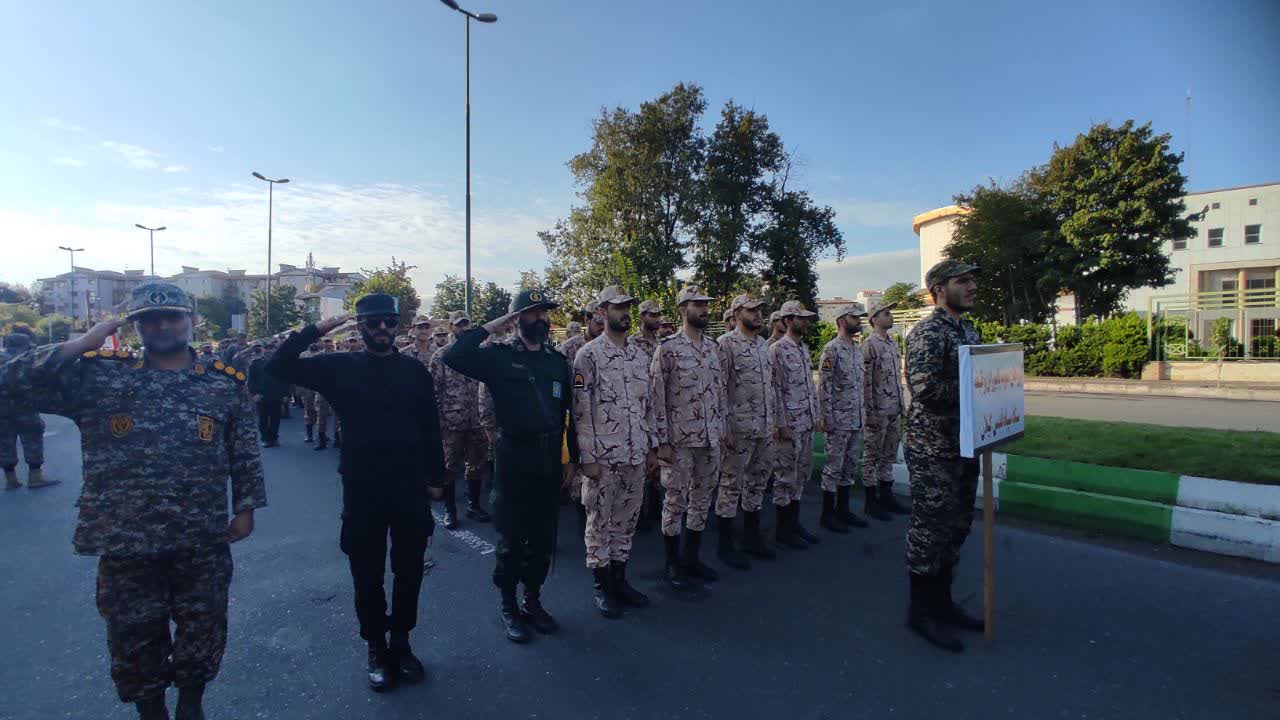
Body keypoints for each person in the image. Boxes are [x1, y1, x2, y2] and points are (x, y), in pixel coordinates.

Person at [0, 282, 266, 720]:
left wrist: (247, 506)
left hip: (201, 535)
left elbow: (243, 449)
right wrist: (78, 344)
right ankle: (151, 712)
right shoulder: (99, 375)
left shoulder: (221, 383)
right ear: (135, 326)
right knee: (133, 636)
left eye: (174, 316)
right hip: (126, 539)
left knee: (204, 626)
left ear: (192, 321)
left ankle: (191, 706)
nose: (163, 325)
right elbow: (10, 383)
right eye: (149, 319)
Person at [266, 294, 446, 691]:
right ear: (360, 327)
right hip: (363, 489)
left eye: (389, 321)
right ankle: (376, 647)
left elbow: (430, 426)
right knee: (366, 572)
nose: (383, 329)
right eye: (374, 322)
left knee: (409, 569)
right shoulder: (338, 367)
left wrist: (437, 478)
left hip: (408, 486)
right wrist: (318, 328)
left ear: (397, 325)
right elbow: (276, 366)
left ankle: (401, 642)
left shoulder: (415, 372)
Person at [443, 289, 578, 644]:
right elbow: (454, 355)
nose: (543, 320)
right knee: (512, 538)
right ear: (517, 319)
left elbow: (568, 413)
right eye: (534, 313)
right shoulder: (499, 357)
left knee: (544, 535)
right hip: (514, 457)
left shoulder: (555, 360)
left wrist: (570, 459)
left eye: (546, 313)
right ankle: (508, 605)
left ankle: (533, 600)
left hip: (549, 458)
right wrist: (494, 325)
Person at [903, 260, 986, 653]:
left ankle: (943, 602)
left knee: (958, 526)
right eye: (962, 281)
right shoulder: (926, 333)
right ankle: (920, 612)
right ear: (938, 288)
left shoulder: (969, 329)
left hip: (965, 444)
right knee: (930, 528)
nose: (971, 287)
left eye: (972, 280)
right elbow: (925, 390)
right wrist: (976, 386)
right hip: (932, 447)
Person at [573, 286, 658, 618]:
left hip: (635, 454)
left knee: (627, 520)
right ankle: (601, 586)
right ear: (602, 312)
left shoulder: (639, 356)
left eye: (628, 307)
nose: (625, 312)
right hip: (603, 458)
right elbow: (580, 409)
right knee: (598, 522)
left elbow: (647, 406)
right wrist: (587, 458)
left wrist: (651, 447)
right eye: (617, 307)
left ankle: (620, 580)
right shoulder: (588, 356)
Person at [651, 285, 728, 590]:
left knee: (700, 501)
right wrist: (662, 442)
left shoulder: (713, 348)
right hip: (679, 442)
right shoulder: (667, 348)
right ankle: (672, 563)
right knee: (675, 502)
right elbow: (656, 398)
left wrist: (720, 431)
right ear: (683, 309)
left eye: (706, 305)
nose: (704, 310)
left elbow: (719, 393)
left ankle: (692, 558)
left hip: (709, 439)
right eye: (698, 305)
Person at [714, 294, 777, 567]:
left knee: (757, 484)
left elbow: (769, 388)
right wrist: (724, 427)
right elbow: (717, 389)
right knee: (730, 486)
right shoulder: (725, 344)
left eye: (760, 310)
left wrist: (772, 422)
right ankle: (725, 546)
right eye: (752, 311)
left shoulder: (764, 345)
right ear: (737, 313)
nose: (758, 314)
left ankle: (751, 537)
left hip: (763, 427)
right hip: (737, 429)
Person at [429, 311, 492, 529]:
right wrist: (437, 423)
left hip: (476, 420)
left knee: (476, 465)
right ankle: (450, 510)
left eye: (466, 324)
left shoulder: (480, 353)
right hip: (450, 422)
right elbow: (434, 392)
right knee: (449, 468)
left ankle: (474, 505)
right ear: (451, 327)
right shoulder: (441, 356)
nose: (463, 328)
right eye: (459, 325)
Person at [817, 303, 873, 533]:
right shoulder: (832, 350)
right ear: (841, 321)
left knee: (850, 466)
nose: (859, 321)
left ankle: (843, 510)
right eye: (854, 318)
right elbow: (825, 387)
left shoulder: (857, 349)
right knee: (833, 467)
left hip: (855, 418)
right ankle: (827, 515)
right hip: (838, 421)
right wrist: (827, 418)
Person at [770, 300, 820, 550]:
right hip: (789, 425)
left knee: (801, 475)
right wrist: (780, 424)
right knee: (784, 478)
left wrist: (816, 415)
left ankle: (794, 523)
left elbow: (810, 387)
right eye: (801, 318)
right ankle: (782, 529)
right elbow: (775, 390)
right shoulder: (777, 350)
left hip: (806, 423)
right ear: (788, 320)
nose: (806, 321)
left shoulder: (803, 348)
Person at [863, 299, 909, 517]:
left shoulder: (892, 343)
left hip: (893, 410)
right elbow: (866, 381)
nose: (890, 316)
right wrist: (869, 412)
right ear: (874, 319)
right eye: (886, 313)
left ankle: (886, 496)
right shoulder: (869, 345)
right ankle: (871, 502)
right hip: (878, 411)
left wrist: (902, 406)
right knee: (872, 456)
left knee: (889, 455)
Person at [1, 332, 55, 489]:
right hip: (25, 408)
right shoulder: (27, 360)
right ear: (23, 346)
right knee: (32, 439)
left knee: (4, 443)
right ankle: (35, 478)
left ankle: (11, 480)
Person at [630, 299, 663, 532]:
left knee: (659, 462)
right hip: (639, 408)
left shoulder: (664, 343)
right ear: (642, 317)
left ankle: (656, 510)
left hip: (660, 408)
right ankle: (636, 515)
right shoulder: (631, 344)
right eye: (652, 315)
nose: (657, 318)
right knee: (640, 463)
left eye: (658, 314)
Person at [248, 339, 288, 448]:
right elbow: (251, 380)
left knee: (276, 419)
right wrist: (254, 394)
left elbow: (285, 379)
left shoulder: (279, 362)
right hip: (262, 395)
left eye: (271, 348)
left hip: (276, 395)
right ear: (263, 349)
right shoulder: (255, 363)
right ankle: (265, 439)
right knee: (263, 419)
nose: (269, 350)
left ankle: (274, 438)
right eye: (267, 348)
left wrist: (285, 394)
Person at [313, 337, 339, 450]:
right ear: (323, 344)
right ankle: (321, 440)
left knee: (337, 416)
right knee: (321, 415)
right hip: (322, 389)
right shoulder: (318, 356)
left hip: (336, 389)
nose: (328, 343)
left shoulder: (339, 355)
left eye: (330, 341)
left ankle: (337, 439)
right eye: (326, 341)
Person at [299, 342, 323, 444]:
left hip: (320, 386)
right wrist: (299, 389)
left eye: (315, 341)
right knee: (309, 411)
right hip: (307, 387)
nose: (313, 343)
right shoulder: (303, 355)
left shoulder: (322, 354)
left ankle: (322, 434)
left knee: (321, 411)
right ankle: (309, 435)